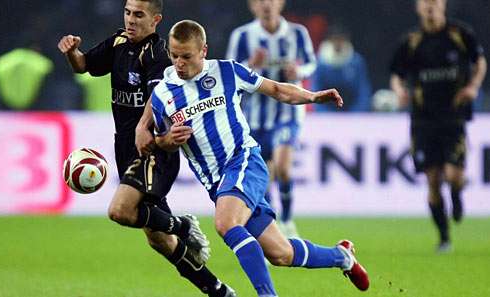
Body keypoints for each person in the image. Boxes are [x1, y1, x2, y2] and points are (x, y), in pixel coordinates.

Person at [145, 19, 369, 297]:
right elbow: (161, 141)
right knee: (281, 253)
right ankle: (341, 256)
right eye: (175, 55)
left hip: (243, 161)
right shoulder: (162, 94)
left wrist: (312, 96)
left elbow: (276, 89)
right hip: (218, 183)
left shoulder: (227, 71)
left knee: (226, 224)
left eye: (186, 56)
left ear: (203, 50)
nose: (179, 63)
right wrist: (167, 140)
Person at [57, 1, 236, 296]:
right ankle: (217, 290)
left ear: (155, 20)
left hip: (153, 150)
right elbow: (84, 66)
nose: (130, 20)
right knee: (157, 238)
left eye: (138, 15)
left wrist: (154, 135)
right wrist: (71, 52)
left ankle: (182, 225)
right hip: (125, 149)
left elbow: (159, 105)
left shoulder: (157, 57)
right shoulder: (118, 43)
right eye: (127, 12)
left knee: (120, 211)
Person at [390, 0, 486, 252]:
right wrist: (400, 91)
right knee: (433, 181)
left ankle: (456, 193)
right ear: (418, 8)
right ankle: (444, 238)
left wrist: (473, 87)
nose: (430, 7)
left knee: (454, 175)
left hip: (453, 117)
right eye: (425, 3)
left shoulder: (460, 34)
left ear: (442, 5)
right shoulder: (411, 41)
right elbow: (396, 75)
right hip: (423, 120)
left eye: (434, 2)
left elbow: (480, 62)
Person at [225, 0, 316, 237]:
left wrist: (299, 72)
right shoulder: (243, 36)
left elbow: (310, 63)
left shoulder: (297, 33)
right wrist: (250, 65)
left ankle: (287, 219)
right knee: (263, 176)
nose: (267, 4)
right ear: (252, 6)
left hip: (287, 113)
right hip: (253, 117)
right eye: (260, 0)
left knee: (283, 168)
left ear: (281, 3)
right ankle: (272, 223)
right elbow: (229, 73)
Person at [312, 25, 372, 112]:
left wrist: (356, 114)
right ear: (329, 40)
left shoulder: (356, 62)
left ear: (346, 40)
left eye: (341, 39)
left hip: (352, 111)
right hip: (327, 113)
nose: (338, 43)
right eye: (335, 39)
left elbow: (363, 91)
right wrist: (325, 116)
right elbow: (315, 91)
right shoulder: (320, 62)